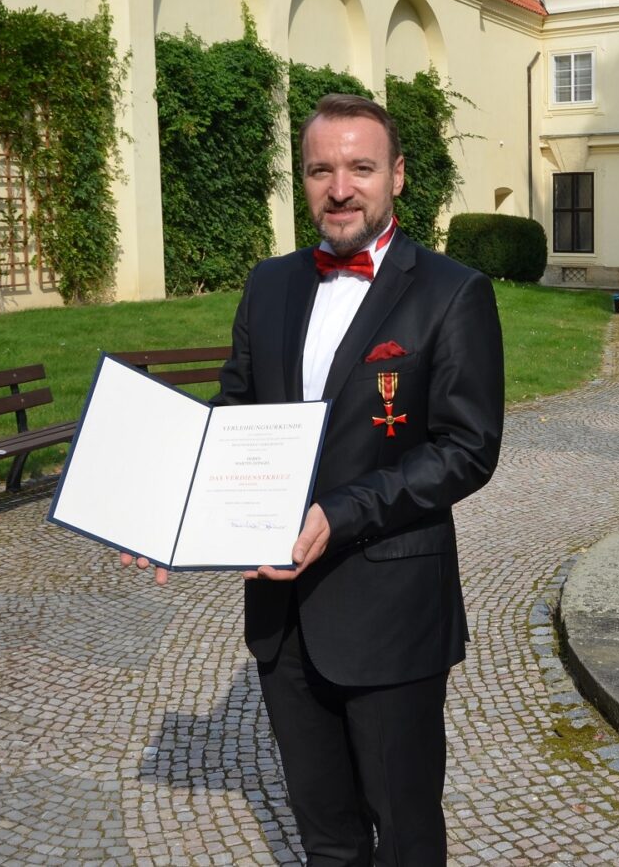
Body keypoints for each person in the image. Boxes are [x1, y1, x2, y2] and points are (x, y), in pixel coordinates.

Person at [124, 94, 504, 866]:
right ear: (302, 179)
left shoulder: (452, 292)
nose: (340, 187)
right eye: (321, 169)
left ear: (396, 175)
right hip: (281, 615)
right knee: (325, 835)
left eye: (361, 167)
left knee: (403, 833)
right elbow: (231, 416)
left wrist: (341, 511)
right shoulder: (269, 283)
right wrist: (168, 513)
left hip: (392, 613)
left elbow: (467, 448)